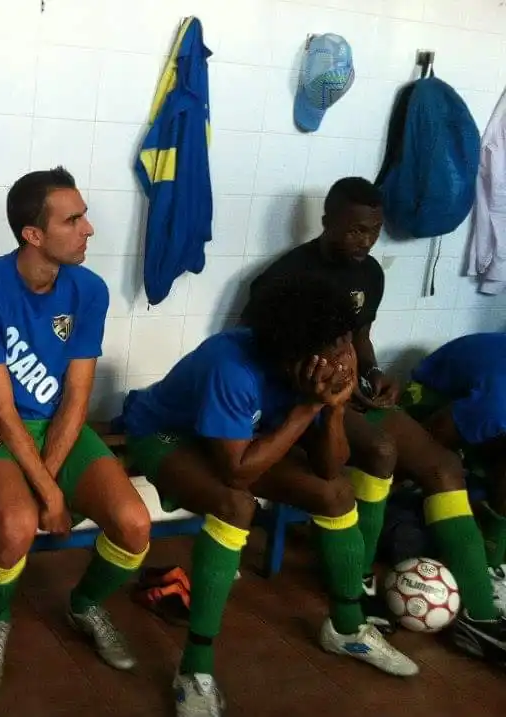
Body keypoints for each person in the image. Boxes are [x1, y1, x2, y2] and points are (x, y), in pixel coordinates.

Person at [121, 274, 418, 717]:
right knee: (234, 505)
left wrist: (334, 409)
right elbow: (238, 473)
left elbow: (328, 468)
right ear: (299, 354)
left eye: (344, 342)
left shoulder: (310, 370)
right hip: (166, 434)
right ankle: (194, 670)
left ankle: (347, 628)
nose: (344, 358)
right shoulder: (233, 367)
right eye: (334, 347)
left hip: (241, 441)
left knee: (337, 494)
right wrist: (309, 408)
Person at [245, 177, 506, 656]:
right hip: (298, 399)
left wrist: (373, 373)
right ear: (327, 222)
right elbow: (259, 354)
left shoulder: (369, 274)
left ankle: (479, 614)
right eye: (355, 231)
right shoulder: (287, 277)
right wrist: (330, 392)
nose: (365, 241)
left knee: (444, 467)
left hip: (350, 391)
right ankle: (357, 579)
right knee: (381, 452)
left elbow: (361, 337)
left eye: (373, 232)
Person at [0, 167, 152, 694]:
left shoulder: (89, 289)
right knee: (14, 525)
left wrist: (51, 482)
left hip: (58, 425)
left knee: (133, 524)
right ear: (32, 235)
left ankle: (85, 607)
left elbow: (78, 395)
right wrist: (46, 494)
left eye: (84, 216)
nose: (89, 229)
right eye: (74, 219)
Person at [400, 332, 506, 657]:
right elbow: (433, 439)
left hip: (477, 414)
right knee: (438, 477)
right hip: (426, 409)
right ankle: (481, 588)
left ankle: (493, 561)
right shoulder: (498, 402)